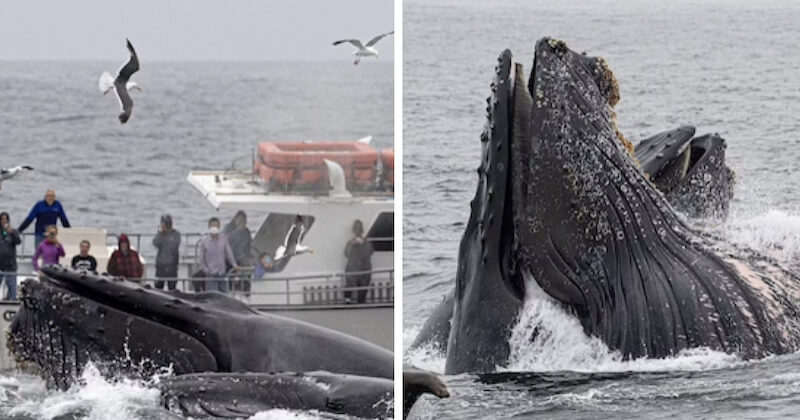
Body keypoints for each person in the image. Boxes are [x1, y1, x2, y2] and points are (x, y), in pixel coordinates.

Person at [198, 217, 238, 293]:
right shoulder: (204, 242)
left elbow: (229, 253)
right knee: (211, 296)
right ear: (209, 227)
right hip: (210, 275)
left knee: (224, 295)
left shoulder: (224, 239)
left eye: (216, 226)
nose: (214, 228)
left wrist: (234, 264)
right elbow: (201, 260)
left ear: (219, 227)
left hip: (222, 274)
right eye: (212, 226)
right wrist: (207, 271)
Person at [344, 219, 373, 303]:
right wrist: (353, 244)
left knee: (361, 293)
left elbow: (370, 252)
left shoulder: (366, 242)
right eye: (356, 229)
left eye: (359, 229)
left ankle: (351, 301)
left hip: (362, 268)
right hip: (356, 268)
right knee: (350, 287)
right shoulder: (351, 242)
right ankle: (348, 300)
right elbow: (346, 254)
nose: (358, 232)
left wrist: (363, 244)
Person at [223, 210, 252, 293]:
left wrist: (248, 258)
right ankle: (230, 288)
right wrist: (238, 231)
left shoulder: (246, 231)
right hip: (228, 258)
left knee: (249, 266)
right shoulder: (228, 228)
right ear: (235, 219)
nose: (241, 223)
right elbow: (226, 242)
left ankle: (246, 290)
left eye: (243, 221)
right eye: (239, 221)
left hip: (241, 258)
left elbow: (248, 246)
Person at [153, 214, 181, 290]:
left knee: (172, 288)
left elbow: (175, 244)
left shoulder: (176, 234)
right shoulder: (160, 234)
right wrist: (161, 233)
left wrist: (166, 235)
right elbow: (155, 243)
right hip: (160, 266)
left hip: (172, 266)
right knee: (158, 288)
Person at [0, 212, 21, 299]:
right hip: (0, 266)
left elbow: (18, 241)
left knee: (12, 290)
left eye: (6, 219)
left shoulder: (13, 232)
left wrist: (11, 232)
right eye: (2, 219)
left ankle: (12, 304)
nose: (4, 221)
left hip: (10, 266)